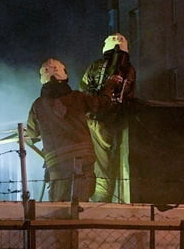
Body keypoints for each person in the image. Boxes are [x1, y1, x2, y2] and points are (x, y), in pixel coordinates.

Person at [25, 58, 99, 202]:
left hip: (58, 163)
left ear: (43, 78)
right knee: (82, 203)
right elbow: (102, 106)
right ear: (64, 75)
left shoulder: (38, 105)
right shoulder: (79, 97)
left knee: (59, 205)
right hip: (84, 158)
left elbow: (32, 132)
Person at [80, 33, 137, 203]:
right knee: (118, 165)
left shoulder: (95, 66)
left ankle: (100, 203)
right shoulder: (130, 70)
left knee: (101, 167)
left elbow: (83, 91)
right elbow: (130, 96)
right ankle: (116, 200)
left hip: (96, 122)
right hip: (119, 124)